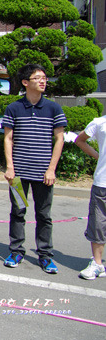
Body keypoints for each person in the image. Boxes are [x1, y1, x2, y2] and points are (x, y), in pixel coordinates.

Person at [2, 63, 66, 274]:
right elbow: (8, 138)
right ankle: (16, 251)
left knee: (43, 214)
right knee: (18, 211)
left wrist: (51, 169)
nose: (43, 81)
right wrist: (10, 167)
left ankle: (45, 255)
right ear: (25, 82)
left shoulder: (53, 108)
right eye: (37, 78)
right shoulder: (14, 108)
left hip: (43, 173)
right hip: (19, 173)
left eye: (44, 78)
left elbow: (59, 139)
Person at [75, 116, 106, 279]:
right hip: (102, 182)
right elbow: (80, 140)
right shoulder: (99, 122)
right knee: (98, 223)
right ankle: (97, 264)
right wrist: (99, 157)